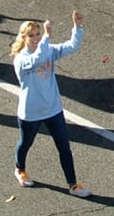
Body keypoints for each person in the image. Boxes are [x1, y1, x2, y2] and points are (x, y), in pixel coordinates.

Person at [10, 11, 90, 197]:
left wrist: (77, 28)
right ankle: (19, 168)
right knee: (26, 142)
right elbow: (36, 59)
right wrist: (46, 37)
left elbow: (71, 47)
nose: (36, 38)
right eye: (32, 35)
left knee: (64, 147)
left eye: (38, 34)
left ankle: (73, 185)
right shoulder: (21, 60)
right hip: (31, 112)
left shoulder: (47, 49)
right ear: (24, 38)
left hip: (53, 109)